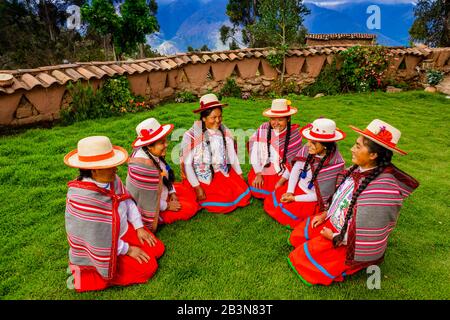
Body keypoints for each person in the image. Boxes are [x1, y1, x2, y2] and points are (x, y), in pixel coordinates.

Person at [287, 119, 419, 286]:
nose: (351, 149)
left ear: (373, 155)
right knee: (297, 237)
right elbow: (341, 197)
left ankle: (347, 262)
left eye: (357, 146)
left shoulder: (383, 192)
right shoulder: (359, 169)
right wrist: (326, 213)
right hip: (335, 224)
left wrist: (334, 237)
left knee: (303, 260)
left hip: (348, 240)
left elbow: (368, 232)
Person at [64, 136, 164, 292]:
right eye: (111, 166)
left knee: (158, 249)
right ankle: (98, 274)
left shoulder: (112, 180)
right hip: (108, 247)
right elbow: (97, 239)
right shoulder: (82, 198)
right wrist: (128, 249)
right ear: (95, 169)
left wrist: (139, 227)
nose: (116, 169)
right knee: (148, 267)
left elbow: (127, 202)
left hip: (122, 233)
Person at [263, 118, 346, 229]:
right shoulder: (308, 150)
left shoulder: (335, 165)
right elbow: (296, 169)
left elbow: (319, 195)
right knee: (272, 201)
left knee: (288, 213)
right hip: (297, 189)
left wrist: (294, 199)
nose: (307, 145)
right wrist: (290, 191)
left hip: (311, 198)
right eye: (308, 140)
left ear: (325, 145)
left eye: (313, 142)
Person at [180, 93, 250, 214]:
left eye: (220, 116)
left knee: (241, 192)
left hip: (221, 171)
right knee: (222, 202)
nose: (218, 121)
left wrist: (239, 174)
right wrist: (197, 187)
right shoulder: (192, 136)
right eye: (213, 117)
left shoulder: (223, 130)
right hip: (203, 176)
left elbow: (231, 154)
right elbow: (187, 165)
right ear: (203, 118)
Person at [127, 118, 200, 229]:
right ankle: (160, 218)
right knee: (190, 208)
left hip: (160, 193)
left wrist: (172, 192)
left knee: (189, 193)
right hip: (153, 206)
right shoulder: (143, 167)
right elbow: (147, 199)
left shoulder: (152, 154)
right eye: (162, 143)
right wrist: (167, 206)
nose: (166, 144)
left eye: (165, 140)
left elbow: (164, 173)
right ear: (149, 146)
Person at [248, 99, 302, 199]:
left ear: (288, 119)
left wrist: (281, 181)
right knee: (258, 188)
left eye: (280, 119)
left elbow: (293, 163)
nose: (276, 123)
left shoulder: (294, 135)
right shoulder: (263, 128)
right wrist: (258, 174)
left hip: (283, 172)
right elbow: (254, 153)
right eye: (273, 119)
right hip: (264, 167)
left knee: (282, 191)